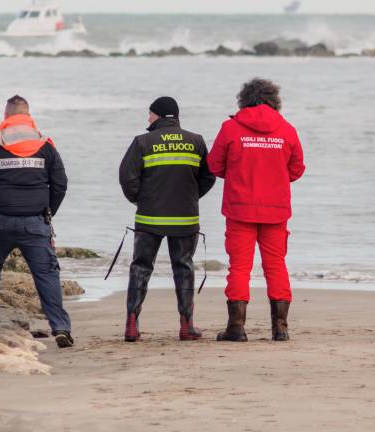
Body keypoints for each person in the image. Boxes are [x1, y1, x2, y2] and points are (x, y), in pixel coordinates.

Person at [0, 95, 73, 348]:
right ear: (28, 116)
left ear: (6, 117)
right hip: (36, 222)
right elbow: (60, 183)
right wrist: (49, 212)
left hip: (1, 220)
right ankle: (60, 327)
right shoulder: (46, 145)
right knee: (47, 274)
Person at [208, 78, 305, 342]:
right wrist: (274, 177)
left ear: (244, 99)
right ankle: (280, 328)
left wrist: (240, 174)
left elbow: (214, 165)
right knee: (276, 266)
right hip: (275, 210)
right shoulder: (287, 130)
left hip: (240, 209)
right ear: (274, 100)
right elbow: (296, 169)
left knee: (239, 268)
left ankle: (236, 328)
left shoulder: (230, 128)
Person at [119, 96, 215, 342]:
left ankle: (131, 324)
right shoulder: (196, 141)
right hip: (185, 217)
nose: (148, 119)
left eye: (149, 114)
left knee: (141, 267)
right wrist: (190, 197)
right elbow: (209, 176)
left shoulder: (142, 141)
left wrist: (141, 200)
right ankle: (186, 326)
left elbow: (127, 178)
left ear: (158, 115)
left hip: (149, 218)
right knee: (183, 267)